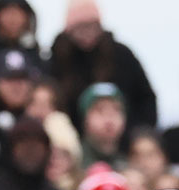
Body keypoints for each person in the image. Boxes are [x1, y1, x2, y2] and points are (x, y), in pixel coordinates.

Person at [48, 0, 157, 130]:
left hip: (123, 139)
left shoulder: (122, 56)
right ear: (69, 29)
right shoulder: (58, 61)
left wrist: (135, 134)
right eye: (81, 27)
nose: (87, 32)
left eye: (92, 25)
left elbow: (145, 99)